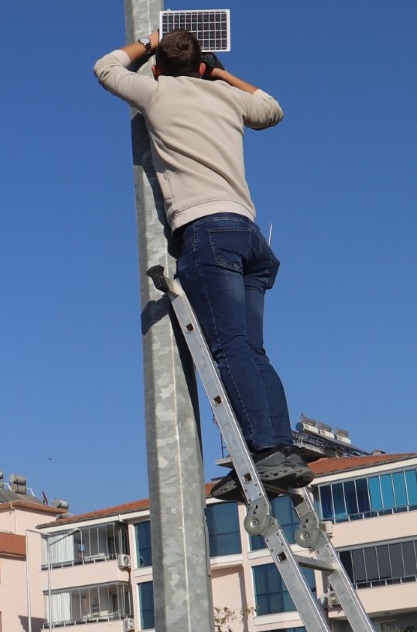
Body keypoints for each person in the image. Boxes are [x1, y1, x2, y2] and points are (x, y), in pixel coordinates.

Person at [94, 28, 313, 498]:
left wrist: (147, 41)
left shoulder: (155, 91)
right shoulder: (225, 96)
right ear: (201, 65)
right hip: (249, 236)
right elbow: (272, 108)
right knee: (251, 350)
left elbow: (106, 67)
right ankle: (281, 451)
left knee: (230, 348)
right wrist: (220, 74)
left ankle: (266, 454)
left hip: (206, 232)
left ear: (157, 66)